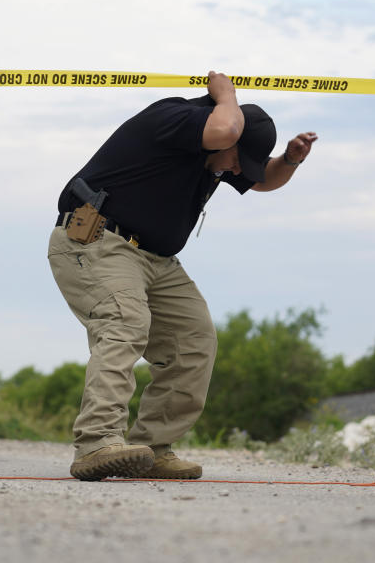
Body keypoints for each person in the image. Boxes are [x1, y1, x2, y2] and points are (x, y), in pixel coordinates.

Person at [48, 71, 318, 481]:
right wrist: (225, 93)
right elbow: (226, 125)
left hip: (157, 259)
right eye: (235, 158)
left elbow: (264, 182)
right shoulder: (173, 118)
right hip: (98, 240)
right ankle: (97, 443)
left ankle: (153, 448)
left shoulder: (222, 149)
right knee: (124, 322)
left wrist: (291, 159)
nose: (233, 169)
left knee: (194, 340)